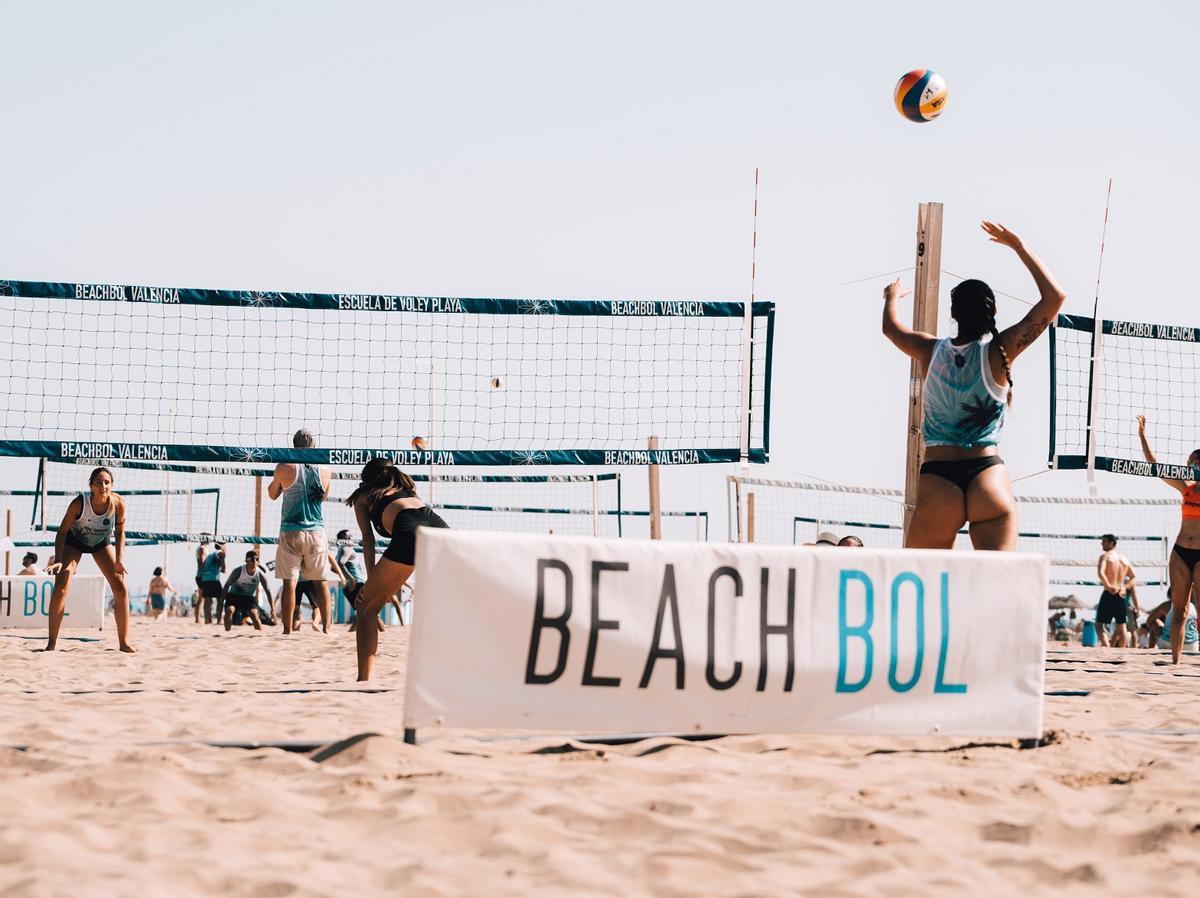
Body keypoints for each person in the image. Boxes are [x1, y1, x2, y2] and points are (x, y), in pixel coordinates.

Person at [882, 222, 1066, 550]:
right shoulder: (1000, 351)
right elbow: (1055, 298)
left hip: (939, 477)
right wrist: (1020, 247)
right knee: (1000, 595)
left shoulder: (928, 349)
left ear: (953, 313)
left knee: (923, 591)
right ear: (992, 312)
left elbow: (891, 329)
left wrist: (892, 297)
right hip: (987, 477)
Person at [345, 457, 449, 681]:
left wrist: (371, 576)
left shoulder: (363, 497)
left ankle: (364, 679)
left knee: (365, 606)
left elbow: (367, 538)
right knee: (454, 605)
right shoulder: (406, 492)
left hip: (410, 531)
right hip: (441, 530)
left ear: (366, 481)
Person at [43, 467, 134, 653]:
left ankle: (124, 644)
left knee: (120, 588)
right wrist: (59, 558)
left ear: (112, 485)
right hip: (74, 542)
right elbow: (61, 533)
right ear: (91, 486)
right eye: (98, 483)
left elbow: (120, 533)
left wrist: (119, 559)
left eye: (107, 482)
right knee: (61, 585)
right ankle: (51, 644)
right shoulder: (79, 503)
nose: (103, 486)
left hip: (100, 543)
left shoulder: (117, 503)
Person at [1136, 416, 1200, 663]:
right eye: (1191, 462)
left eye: (1196, 462)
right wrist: (1142, 435)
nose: (1193, 465)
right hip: (1181, 552)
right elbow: (1154, 465)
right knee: (1180, 611)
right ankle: (1175, 663)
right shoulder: (1184, 485)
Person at [268, 429, 333, 636]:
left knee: (290, 584)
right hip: (316, 530)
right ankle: (327, 629)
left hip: (291, 530)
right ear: (315, 446)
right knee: (321, 583)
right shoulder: (325, 468)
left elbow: (272, 494)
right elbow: (322, 498)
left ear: (293, 445)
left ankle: (287, 630)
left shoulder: (284, 466)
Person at [1095, 534, 1136, 648]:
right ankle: (1121, 650)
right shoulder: (1124, 559)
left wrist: (1108, 586)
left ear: (1111, 543)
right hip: (1120, 594)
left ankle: (1106, 647)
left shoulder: (1105, 556)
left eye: (1104, 541)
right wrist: (1124, 587)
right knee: (1121, 625)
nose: (1101, 544)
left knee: (1098, 625)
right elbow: (1134, 577)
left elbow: (1101, 573)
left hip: (1109, 592)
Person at [220, 550, 272, 632]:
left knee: (254, 614)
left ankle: (259, 634)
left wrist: (273, 609)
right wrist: (220, 603)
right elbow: (226, 586)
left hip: (248, 598)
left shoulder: (260, 573)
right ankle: (227, 632)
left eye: (256, 559)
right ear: (246, 560)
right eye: (252, 559)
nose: (254, 561)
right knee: (230, 610)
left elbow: (268, 591)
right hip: (234, 596)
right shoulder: (238, 571)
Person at [197, 542, 226, 624]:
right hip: (213, 578)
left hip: (205, 578)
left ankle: (207, 620)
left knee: (207, 600)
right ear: (222, 546)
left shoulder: (210, 554)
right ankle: (219, 620)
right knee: (220, 599)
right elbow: (223, 567)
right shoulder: (221, 553)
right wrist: (223, 569)